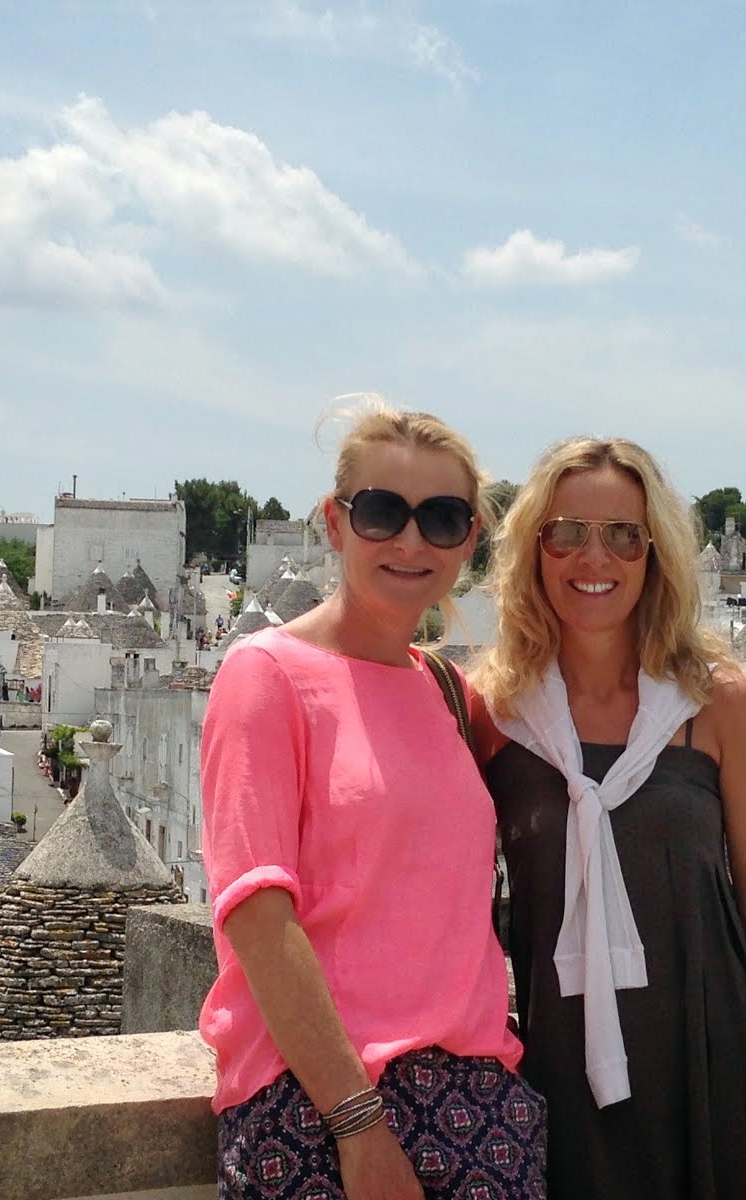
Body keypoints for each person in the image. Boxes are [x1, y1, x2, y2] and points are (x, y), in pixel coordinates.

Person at [473, 437, 746, 1200]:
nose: (593, 557)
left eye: (622, 536)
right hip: (560, 1080)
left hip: (716, 1064)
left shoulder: (718, 705)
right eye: (566, 531)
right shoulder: (496, 717)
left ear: (655, 554)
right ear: (534, 550)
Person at [199, 402, 544, 1199]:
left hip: (481, 1105)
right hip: (320, 1108)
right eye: (384, 512)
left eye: (443, 518)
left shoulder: (452, 695)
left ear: (468, 539)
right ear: (335, 522)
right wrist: (358, 1125)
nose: (411, 542)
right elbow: (255, 911)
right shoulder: (266, 675)